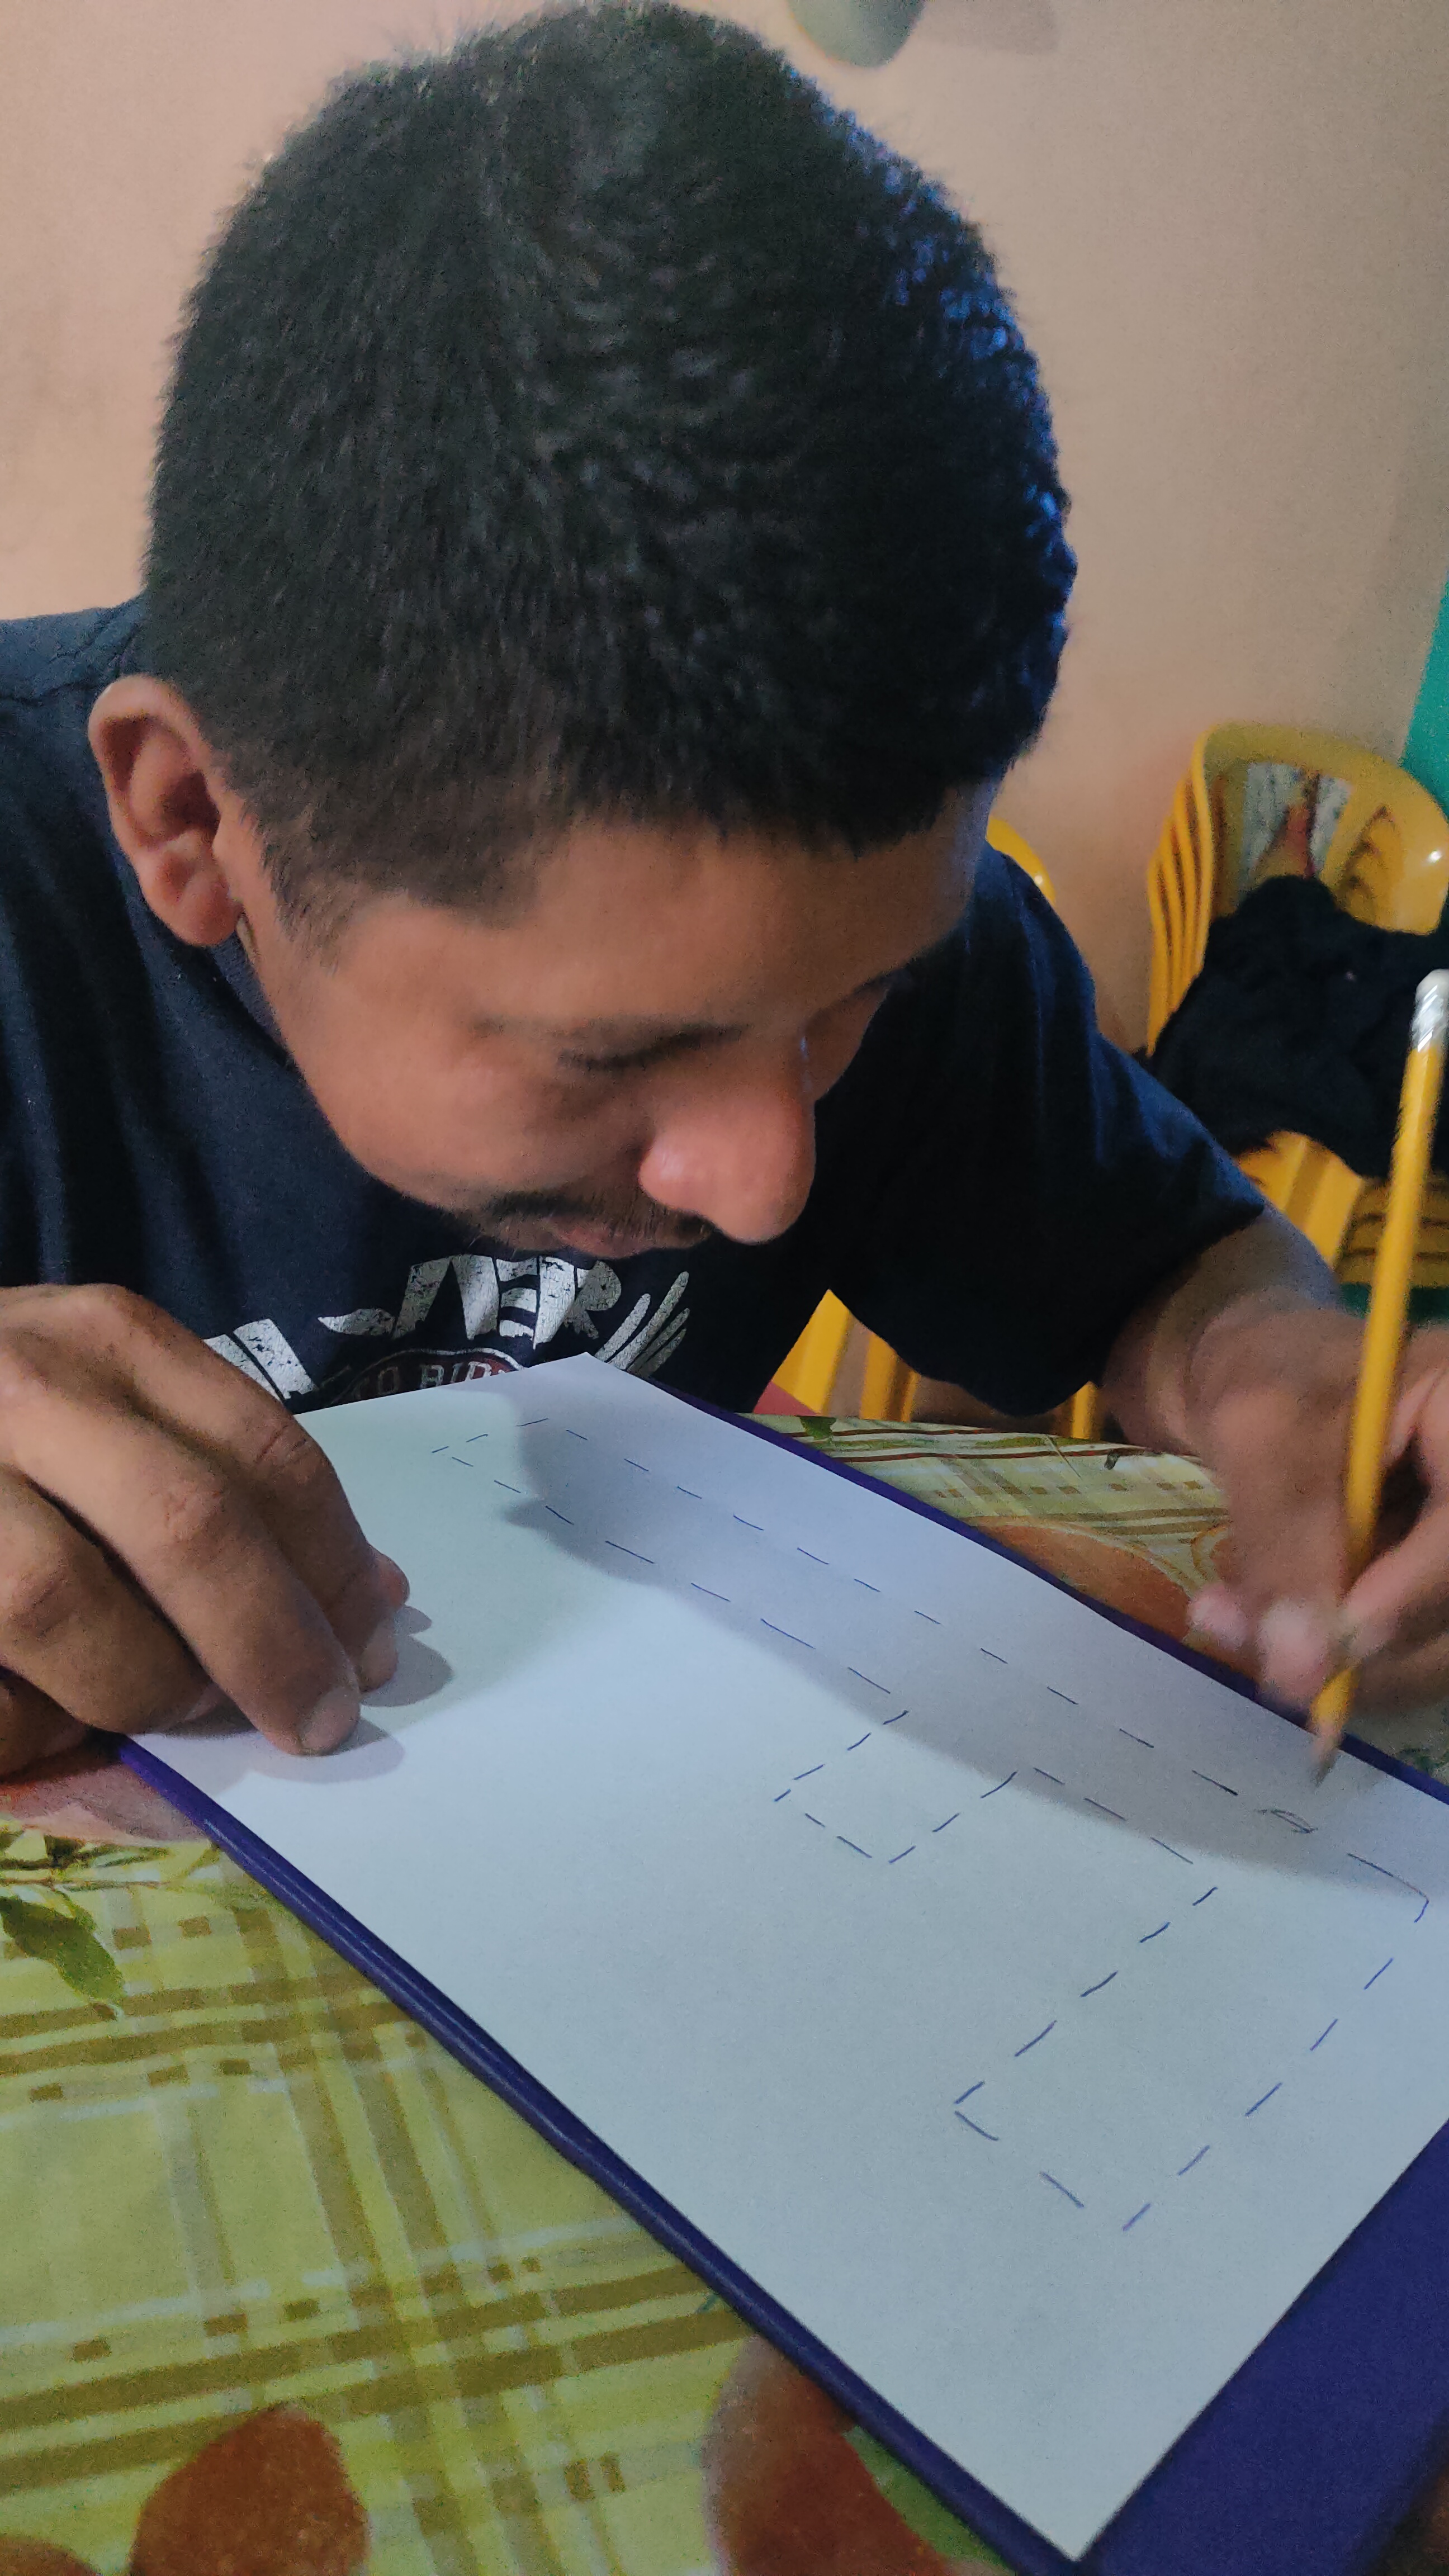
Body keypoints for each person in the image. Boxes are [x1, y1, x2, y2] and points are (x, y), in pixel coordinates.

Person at [0, 1, 1445, 1789]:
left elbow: (1173, 1267)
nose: (770, 1179)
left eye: (856, 1010)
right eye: (612, 1055)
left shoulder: (874, 931)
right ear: (191, 821)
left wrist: (1291, 1377)